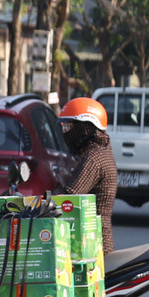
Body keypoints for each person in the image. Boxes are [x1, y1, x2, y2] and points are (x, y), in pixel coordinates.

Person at [59, 97, 118, 253]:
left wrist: (42, 202)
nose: (66, 132)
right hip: (96, 240)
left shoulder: (93, 158)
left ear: (85, 127)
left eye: (69, 126)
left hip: (95, 245)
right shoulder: (102, 151)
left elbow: (69, 197)